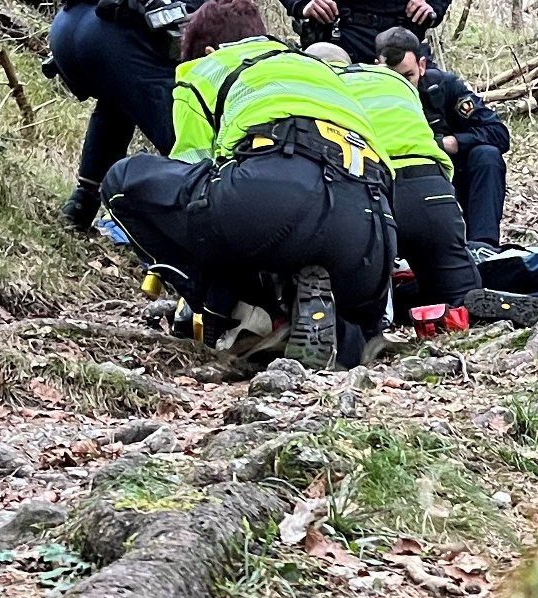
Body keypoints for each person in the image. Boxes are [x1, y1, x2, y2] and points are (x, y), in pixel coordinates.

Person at [101, 0, 396, 367]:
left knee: (122, 182)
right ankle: (341, 331)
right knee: (291, 237)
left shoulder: (205, 68)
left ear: (209, 50)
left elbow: (193, 169)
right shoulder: (321, 70)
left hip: (276, 192)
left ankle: (243, 311)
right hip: (371, 234)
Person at [322, 41, 481, 309]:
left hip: (368, 194)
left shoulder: (320, 85)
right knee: (460, 299)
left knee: (358, 303)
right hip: (432, 189)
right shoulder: (394, 81)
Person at [46, 0, 204, 232]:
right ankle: (199, 228)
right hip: (114, 38)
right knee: (184, 135)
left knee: (117, 101)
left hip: (66, 31)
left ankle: (82, 203)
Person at [379, 28, 509, 246]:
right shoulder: (368, 91)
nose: (401, 85)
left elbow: (498, 133)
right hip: (394, 176)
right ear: (377, 67)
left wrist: (453, 142)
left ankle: (484, 246)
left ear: (421, 66)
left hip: (446, 169)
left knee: (486, 155)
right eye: (393, 78)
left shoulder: (443, 86)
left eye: (407, 76)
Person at [286, 0, 448, 65]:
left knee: (435, 92)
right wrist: (302, 4)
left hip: (402, 39)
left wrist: (431, 6)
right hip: (339, 36)